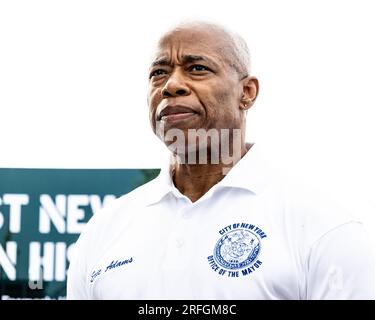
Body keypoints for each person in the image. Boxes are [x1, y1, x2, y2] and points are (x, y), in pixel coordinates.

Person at [67, 21, 375, 299]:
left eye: (197, 68)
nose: (171, 85)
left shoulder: (323, 226)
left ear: (247, 92)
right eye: (158, 73)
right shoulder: (104, 231)